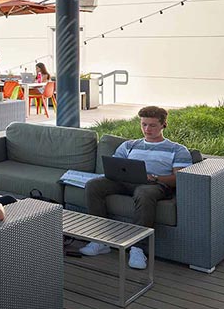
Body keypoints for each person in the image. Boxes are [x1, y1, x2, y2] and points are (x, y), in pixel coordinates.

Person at [79, 106, 192, 269]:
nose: (147, 129)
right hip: (126, 182)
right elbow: (114, 167)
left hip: (156, 185)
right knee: (93, 185)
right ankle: (99, 240)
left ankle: (138, 248)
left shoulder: (177, 149)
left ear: (163, 125)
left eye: (152, 125)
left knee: (143, 192)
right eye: (144, 124)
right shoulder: (129, 145)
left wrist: (155, 177)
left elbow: (179, 179)